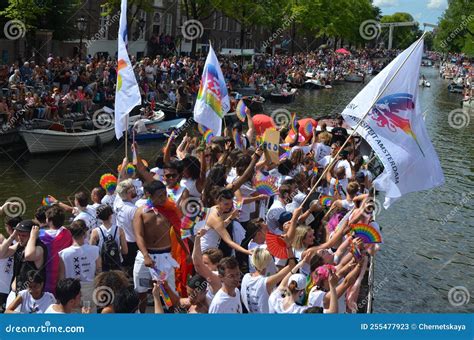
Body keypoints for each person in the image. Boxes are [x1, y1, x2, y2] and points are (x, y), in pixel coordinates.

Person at [133, 180, 182, 313]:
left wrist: (187, 252)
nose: (163, 198)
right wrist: (145, 255)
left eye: (165, 194)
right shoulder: (140, 212)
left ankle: (171, 316)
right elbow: (139, 235)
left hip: (164, 256)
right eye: (160, 195)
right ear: (149, 194)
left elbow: (179, 232)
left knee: (167, 291)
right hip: (144, 256)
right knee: (140, 289)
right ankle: (141, 315)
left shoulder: (170, 209)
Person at [0, 220, 47, 305]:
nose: (20, 238)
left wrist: (33, 237)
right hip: (14, 294)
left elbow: (28, 255)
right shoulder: (19, 245)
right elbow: (1, 254)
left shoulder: (39, 248)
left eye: (24, 235)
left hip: (30, 297)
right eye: (19, 234)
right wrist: (12, 236)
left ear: (33, 235)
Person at [58, 220, 101, 312]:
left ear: (71, 233)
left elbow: (61, 277)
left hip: (71, 290)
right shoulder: (95, 250)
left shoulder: (63, 254)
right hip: (90, 288)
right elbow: (99, 272)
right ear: (85, 233)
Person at [241, 248, 297, 313]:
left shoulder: (246, 277)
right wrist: (288, 246)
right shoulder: (266, 282)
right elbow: (292, 265)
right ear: (267, 263)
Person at [200, 188, 252, 256]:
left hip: (210, 250)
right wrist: (247, 252)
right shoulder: (215, 217)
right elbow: (229, 242)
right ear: (218, 201)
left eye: (231, 203)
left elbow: (220, 226)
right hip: (206, 252)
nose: (230, 206)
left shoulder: (214, 208)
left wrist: (231, 217)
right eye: (226, 204)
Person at [40, 206, 73, 294]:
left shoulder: (41, 235)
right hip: (64, 274)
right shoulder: (67, 233)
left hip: (47, 276)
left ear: (48, 220)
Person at [90, 205, 128, 272]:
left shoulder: (95, 232)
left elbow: (92, 252)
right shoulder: (119, 230)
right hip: (117, 263)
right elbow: (125, 251)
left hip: (102, 265)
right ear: (110, 215)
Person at [114, 179, 139, 275]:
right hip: (132, 243)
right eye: (132, 189)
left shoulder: (117, 202)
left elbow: (119, 184)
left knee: (123, 267)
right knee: (132, 269)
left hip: (120, 240)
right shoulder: (133, 209)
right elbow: (137, 229)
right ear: (128, 193)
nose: (134, 190)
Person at [0, 216, 21, 312]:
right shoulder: (7, 243)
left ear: (8, 227)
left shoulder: (6, 243)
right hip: (7, 289)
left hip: (8, 289)